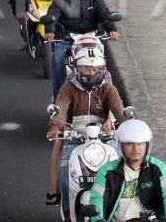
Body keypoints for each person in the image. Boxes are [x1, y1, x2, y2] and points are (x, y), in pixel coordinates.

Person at [46, 47, 127, 206]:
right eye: (86, 69)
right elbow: (61, 108)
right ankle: (56, 191)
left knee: (120, 166)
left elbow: (120, 112)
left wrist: (126, 124)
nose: (91, 73)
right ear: (77, 70)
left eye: (95, 69)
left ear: (102, 70)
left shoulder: (108, 88)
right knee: (64, 163)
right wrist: (56, 126)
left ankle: (123, 202)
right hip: (74, 135)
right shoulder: (68, 88)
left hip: (104, 135)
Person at [45, 0, 122, 97]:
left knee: (102, 64)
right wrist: (50, 30)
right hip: (67, 39)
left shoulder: (96, 0)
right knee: (57, 61)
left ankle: (109, 99)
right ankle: (58, 99)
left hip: (92, 39)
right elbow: (52, 16)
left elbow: (106, 16)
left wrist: (112, 29)